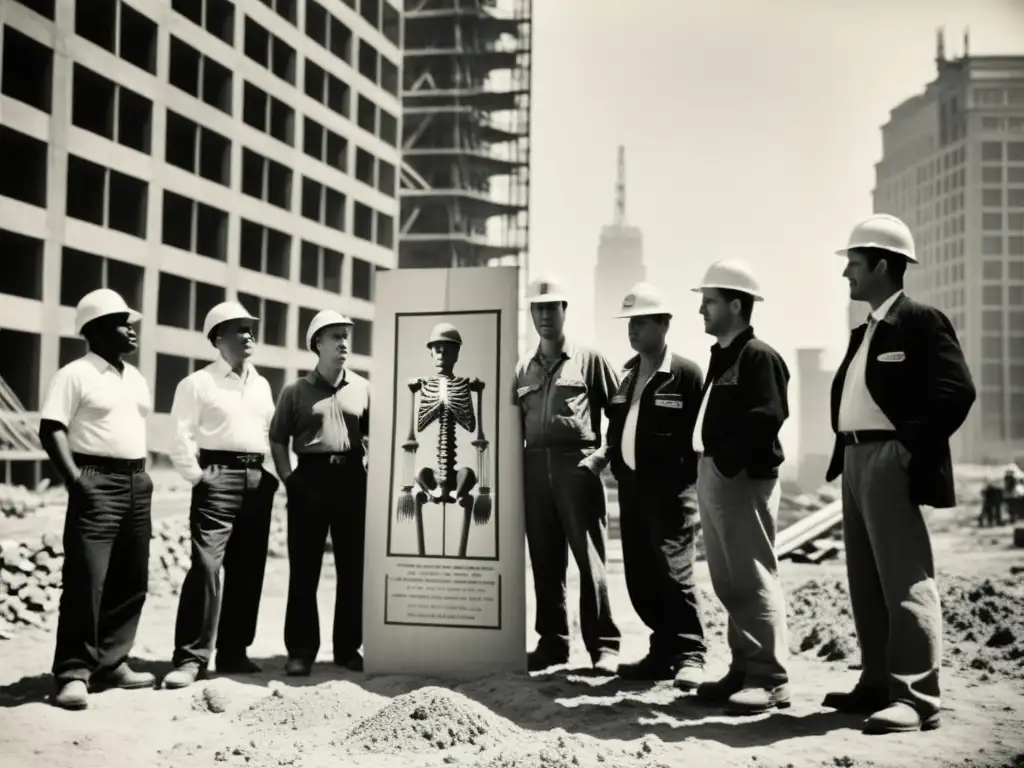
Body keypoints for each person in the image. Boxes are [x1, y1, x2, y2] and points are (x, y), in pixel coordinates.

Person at [823, 213, 975, 735]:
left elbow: (957, 391)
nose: (847, 276)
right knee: (865, 581)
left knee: (904, 578)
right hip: (856, 459)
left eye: (854, 265)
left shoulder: (921, 321)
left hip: (889, 458)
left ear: (883, 266)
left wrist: (909, 447)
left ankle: (916, 696)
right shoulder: (865, 330)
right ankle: (877, 682)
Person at [38, 288, 155, 710]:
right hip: (95, 480)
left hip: (136, 482)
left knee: (131, 578)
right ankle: (73, 672)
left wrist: (144, 480)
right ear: (98, 330)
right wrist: (75, 481)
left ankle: (112, 662)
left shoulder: (135, 376)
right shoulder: (74, 374)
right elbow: (51, 427)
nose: (132, 329)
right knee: (87, 579)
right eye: (123, 322)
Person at [690, 260, 792, 714]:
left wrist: (728, 462)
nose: (701, 310)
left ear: (736, 304)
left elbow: (768, 414)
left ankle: (770, 679)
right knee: (729, 581)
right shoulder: (724, 356)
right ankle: (742, 668)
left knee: (752, 576)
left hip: (743, 479)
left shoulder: (759, 357)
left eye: (709, 302)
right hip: (715, 477)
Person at [162, 301, 279, 689]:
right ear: (217, 338)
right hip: (217, 475)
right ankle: (191, 658)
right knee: (207, 566)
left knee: (248, 568)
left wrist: (271, 477)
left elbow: (269, 433)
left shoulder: (262, 384)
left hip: (256, 478)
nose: (248, 335)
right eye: (238, 329)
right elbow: (179, 435)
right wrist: (197, 477)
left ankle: (233, 650)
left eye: (250, 329)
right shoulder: (197, 383)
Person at [513, 277, 621, 673]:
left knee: (589, 559)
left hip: (576, 466)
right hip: (533, 467)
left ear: (564, 311)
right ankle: (553, 643)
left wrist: (600, 459)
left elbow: (620, 413)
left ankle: (603, 645)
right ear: (531, 313)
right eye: (537, 308)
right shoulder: (522, 366)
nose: (544, 315)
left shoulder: (589, 360)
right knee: (544, 558)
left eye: (551, 307)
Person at [603, 283, 707, 689]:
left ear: (665, 324)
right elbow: (616, 428)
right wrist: (606, 457)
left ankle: (690, 654)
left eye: (643, 321)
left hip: (671, 492)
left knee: (673, 571)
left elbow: (699, 436)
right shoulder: (626, 374)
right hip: (631, 489)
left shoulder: (686, 374)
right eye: (631, 321)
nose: (634, 329)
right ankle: (662, 651)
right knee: (641, 574)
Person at [269, 310, 370, 676]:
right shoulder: (294, 391)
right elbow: (278, 438)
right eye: (335, 336)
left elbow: (376, 436)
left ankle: (347, 648)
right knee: (304, 570)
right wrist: (289, 479)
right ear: (317, 344)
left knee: (352, 569)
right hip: (308, 481)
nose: (344, 343)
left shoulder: (363, 388)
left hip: (352, 481)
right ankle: (300, 651)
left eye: (347, 336)